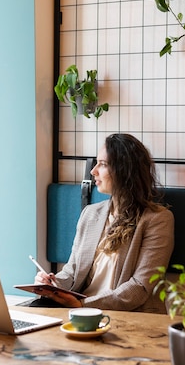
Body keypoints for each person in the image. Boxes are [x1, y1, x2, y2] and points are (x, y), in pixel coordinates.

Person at [33, 133, 174, 312]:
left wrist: (82, 305)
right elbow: (72, 271)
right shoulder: (90, 214)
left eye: (103, 164)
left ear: (124, 170)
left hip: (127, 315)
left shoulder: (158, 219)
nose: (93, 171)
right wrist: (52, 284)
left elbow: (140, 287)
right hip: (80, 311)